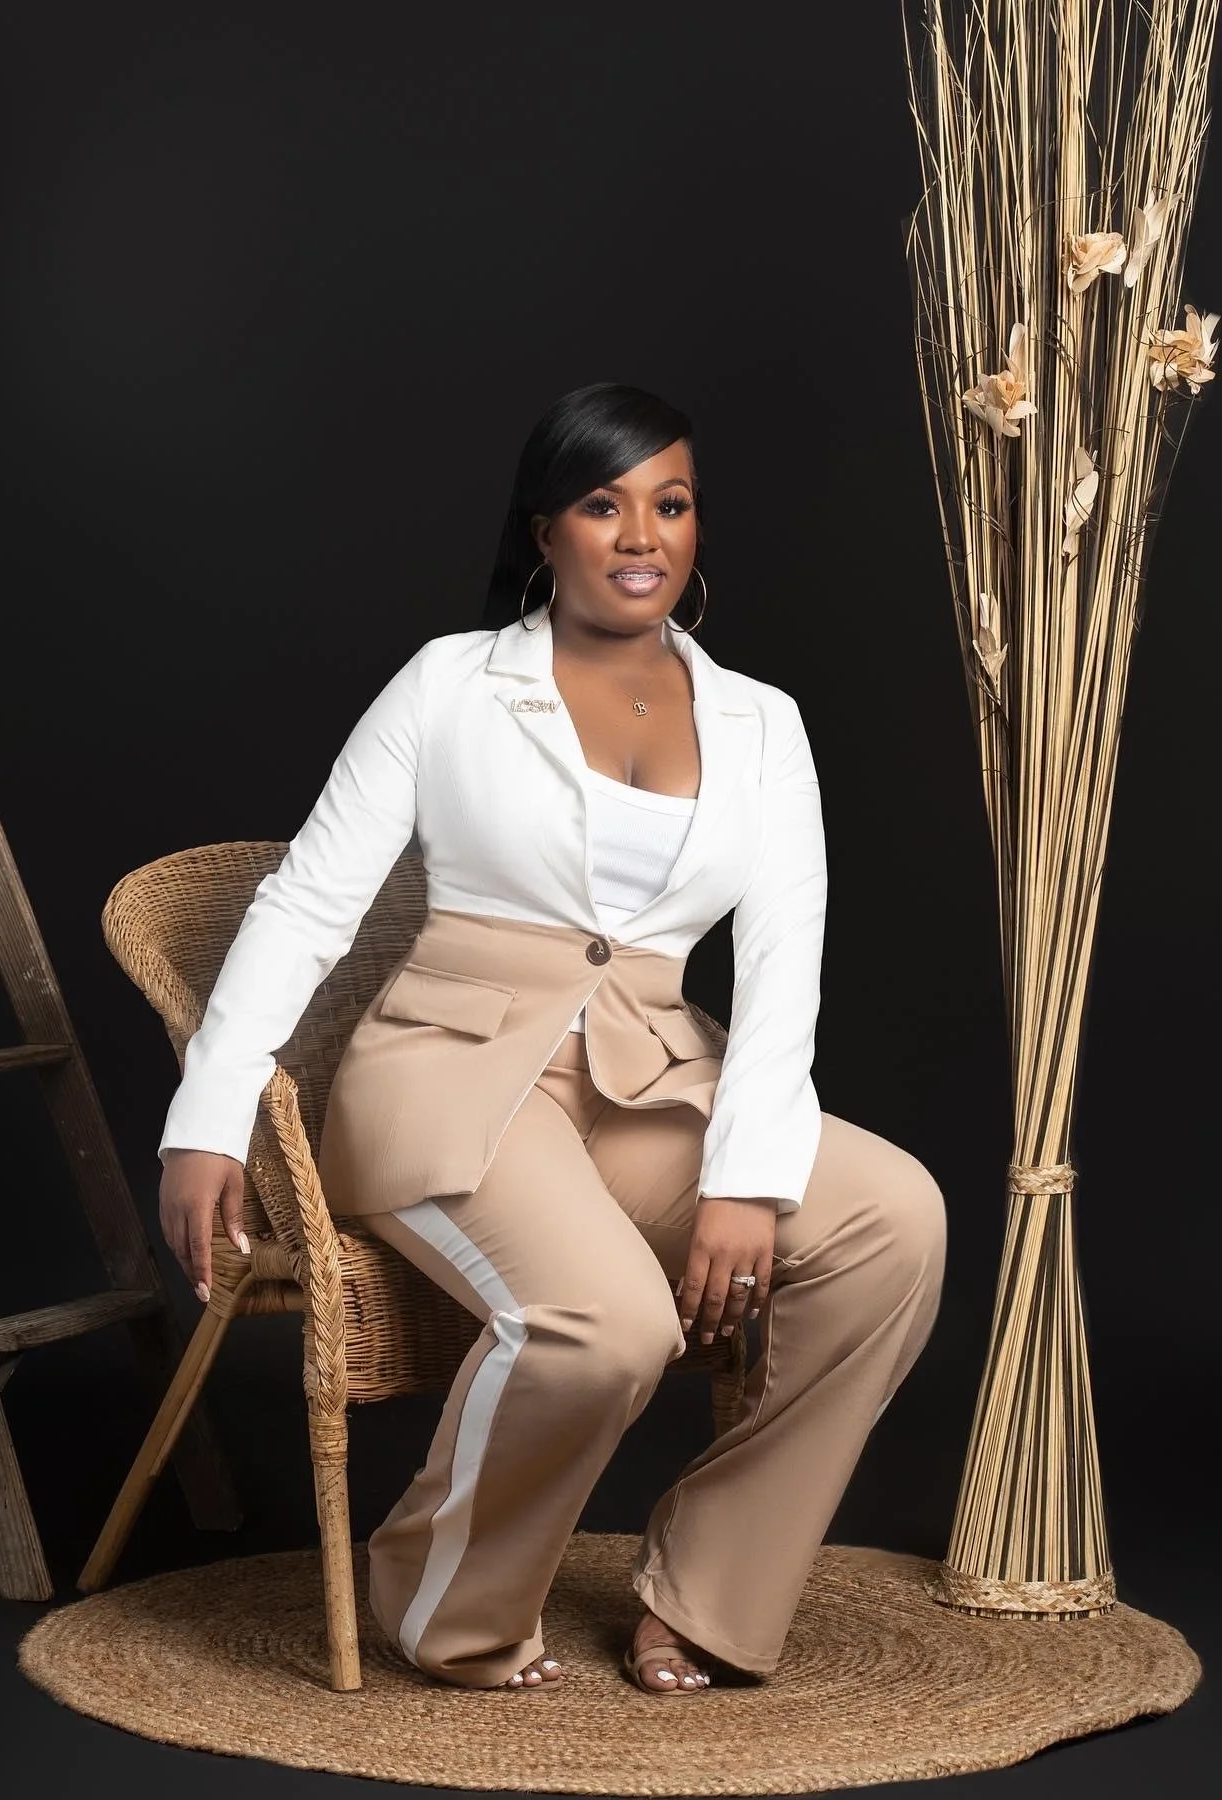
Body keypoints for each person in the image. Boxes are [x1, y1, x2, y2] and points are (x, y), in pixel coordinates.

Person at [156, 381, 947, 1698]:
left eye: (670, 505)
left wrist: (748, 1177)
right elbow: (307, 905)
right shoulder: (449, 685)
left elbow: (784, 967)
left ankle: (710, 1592)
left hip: (650, 1079)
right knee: (606, 1323)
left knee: (897, 1222)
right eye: (601, 503)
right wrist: (207, 1116)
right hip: (448, 1078)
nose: (641, 535)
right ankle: (442, 1598)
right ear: (544, 532)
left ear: (696, 530)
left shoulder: (762, 724)